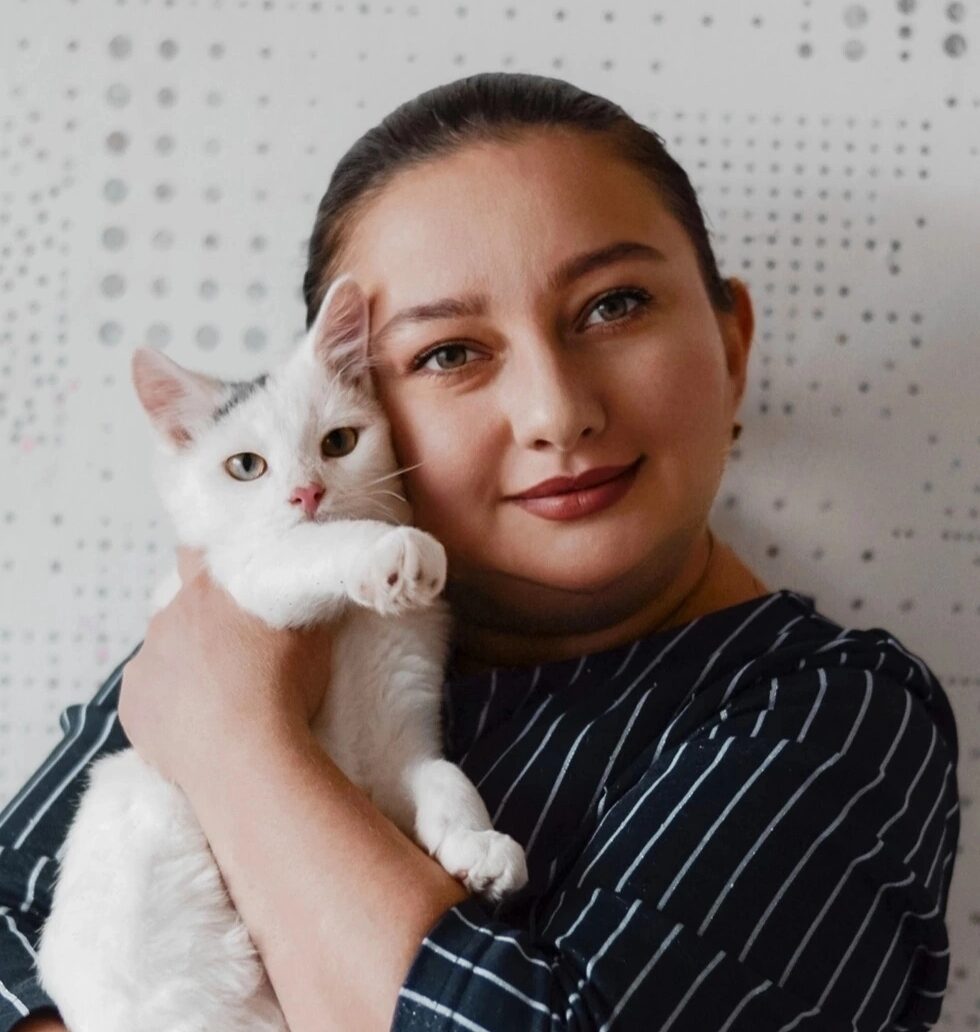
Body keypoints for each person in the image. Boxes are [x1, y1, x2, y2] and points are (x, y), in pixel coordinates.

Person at [0, 72, 959, 1031]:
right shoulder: (240, 621)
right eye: (450, 353)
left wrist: (240, 738)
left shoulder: (836, 714)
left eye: (614, 305)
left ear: (733, 345)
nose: (555, 413)